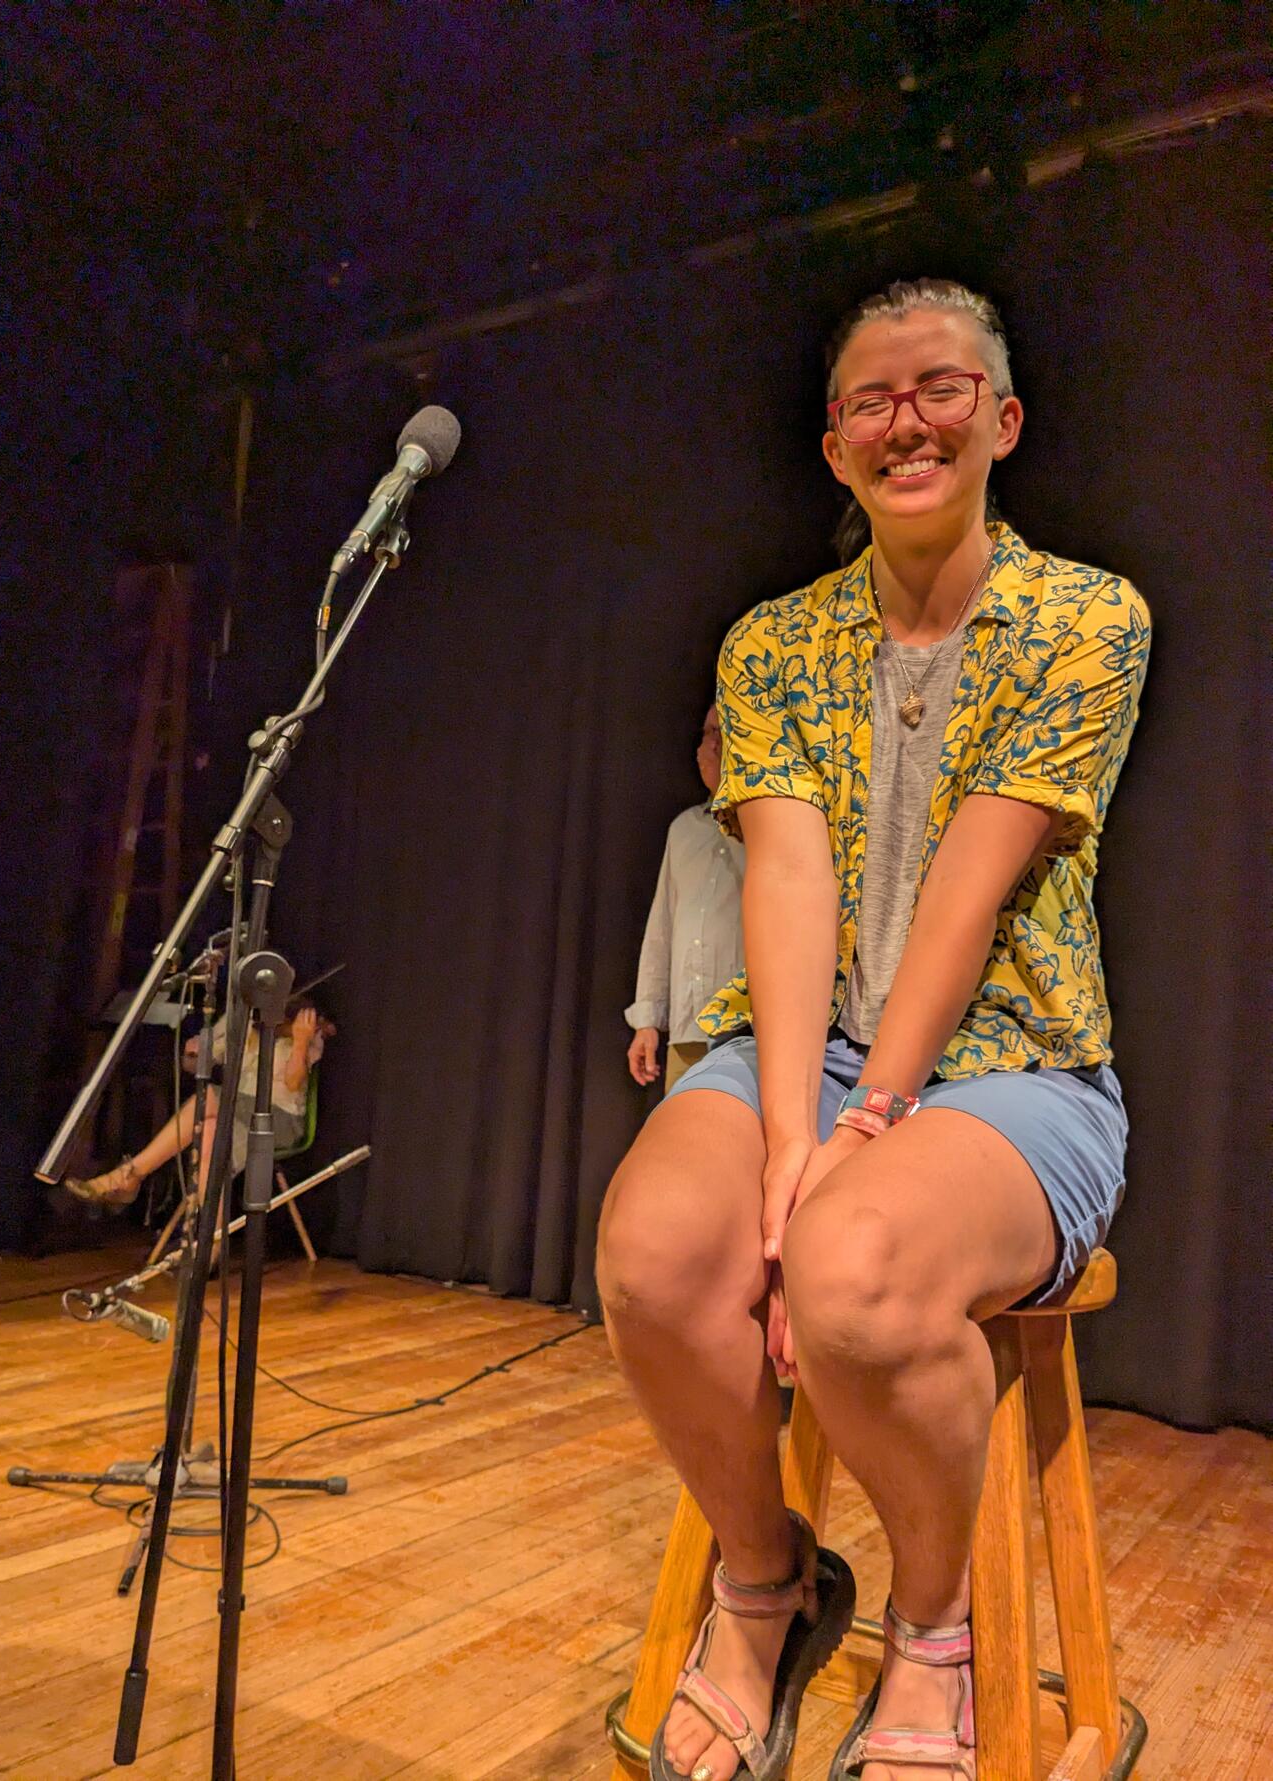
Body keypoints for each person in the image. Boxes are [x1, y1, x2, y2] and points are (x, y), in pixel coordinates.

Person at [597, 278, 1150, 1781]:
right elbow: (780, 874)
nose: (906, 420)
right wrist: (789, 1134)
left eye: (941, 388)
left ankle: (936, 1627)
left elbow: (971, 884)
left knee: (852, 1271)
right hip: (802, 1043)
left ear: (1004, 420)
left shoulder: (1087, 616)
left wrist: (858, 1137)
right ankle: (770, 1579)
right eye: (870, 401)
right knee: (654, 1254)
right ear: (834, 445)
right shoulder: (771, 644)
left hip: (1014, 1066)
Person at [65, 1002, 330, 1207]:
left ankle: (130, 1174)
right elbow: (194, 1066)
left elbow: (294, 1084)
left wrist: (300, 1043)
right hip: (234, 1112)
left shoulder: (302, 1029)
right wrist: (193, 1055)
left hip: (279, 1120)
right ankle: (208, 1246)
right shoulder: (241, 1019)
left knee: (210, 1099)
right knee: (210, 1133)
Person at [626, 706, 745, 1093]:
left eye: (722, 734)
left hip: (745, 1034)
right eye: (707, 732)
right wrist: (647, 1021)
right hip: (686, 1030)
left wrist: (729, 797)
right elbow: (662, 929)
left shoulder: (766, 830)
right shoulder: (684, 829)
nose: (709, 745)